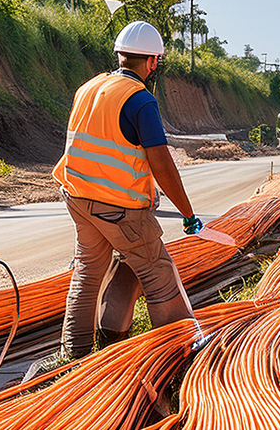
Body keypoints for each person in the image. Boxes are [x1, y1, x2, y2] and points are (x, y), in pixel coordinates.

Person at [54, 20, 205, 360]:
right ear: (153, 62)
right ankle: (179, 353)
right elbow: (162, 165)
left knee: (87, 274)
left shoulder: (88, 88)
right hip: (120, 209)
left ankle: (73, 357)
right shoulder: (140, 101)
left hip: (77, 198)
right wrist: (188, 215)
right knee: (157, 274)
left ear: (119, 54)